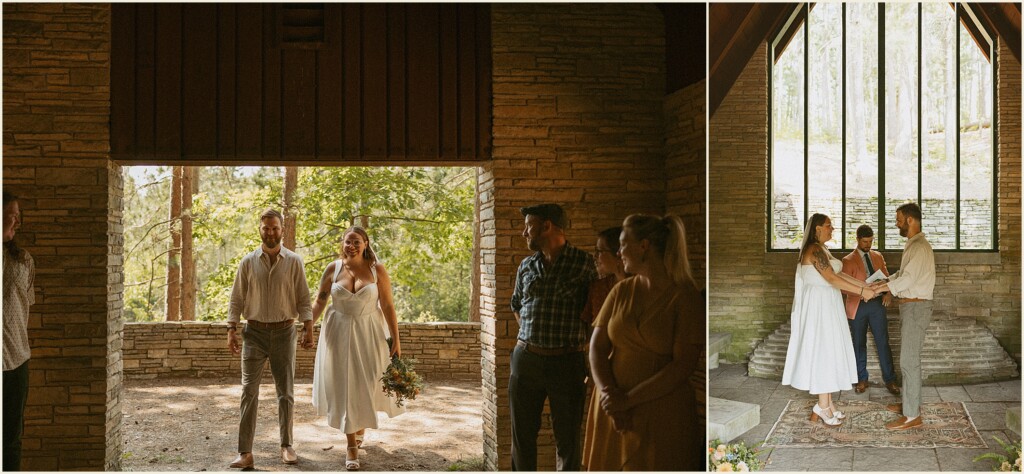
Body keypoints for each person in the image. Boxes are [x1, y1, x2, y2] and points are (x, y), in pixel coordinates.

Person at [582, 214, 704, 470]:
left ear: (644, 246)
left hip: (661, 413)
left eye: (623, 244)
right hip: (613, 411)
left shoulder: (685, 297)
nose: (619, 251)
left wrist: (629, 400)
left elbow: (683, 364)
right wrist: (609, 395)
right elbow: (597, 346)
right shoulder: (621, 291)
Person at [309, 226, 405, 470]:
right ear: (342, 243)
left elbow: (388, 306)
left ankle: (358, 426)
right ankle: (351, 445)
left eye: (356, 242)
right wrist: (307, 326)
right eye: (347, 241)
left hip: (369, 332)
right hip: (337, 332)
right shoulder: (333, 268)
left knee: (368, 381)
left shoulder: (377, 269)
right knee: (345, 385)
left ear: (365, 244)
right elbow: (320, 300)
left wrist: (396, 338)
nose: (350, 246)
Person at [510, 203, 597, 471]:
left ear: (547, 226)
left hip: (567, 363)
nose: (524, 232)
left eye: (529, 225)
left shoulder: (585, 265)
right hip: (526, 361)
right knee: (522, 438)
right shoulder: (526, 266)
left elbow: (596, 316)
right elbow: (516, 305)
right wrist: (530, 337)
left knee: (568, 440)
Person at [226, 209, 312, 469]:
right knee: (248, 392)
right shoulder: (248, 262)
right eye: (266, 228)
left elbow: (304, 298)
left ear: (282, 229)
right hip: (254, 334)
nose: (271, 232)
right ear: (260, 229)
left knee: (285, 393)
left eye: (275, 228)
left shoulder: (294, 261)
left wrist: (309, 328)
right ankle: (245, 453)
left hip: (285, 332)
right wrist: (231, 329)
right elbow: (237, 298)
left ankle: (286, 445)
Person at [781, 213, 877, 427]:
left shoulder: (822, 250)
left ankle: (827, 404)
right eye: (828, 226)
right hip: (819, 309)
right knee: (824, 351)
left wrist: (865, 287)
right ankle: (823, 407)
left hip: (828, 305)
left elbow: (839, 276)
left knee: (830, 350)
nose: (832, 229)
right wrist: (862, 291)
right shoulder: (813, 250)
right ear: (816, 229)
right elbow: (831, 278)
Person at [871, 202, 935, 431]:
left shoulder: (919, 247)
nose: (896, 223)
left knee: (909, 361)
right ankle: (909, 404)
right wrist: (885, 282)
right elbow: (904, 274)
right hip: (911, 307)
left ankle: (912, 416)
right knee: (907, 360)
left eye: (898, 219)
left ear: (910, 220)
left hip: (916, 309)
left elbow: (908, 281)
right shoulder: (913, 244)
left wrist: (880, 290)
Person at [840, 224, 900, 395]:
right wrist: (861, 293)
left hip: (877, 304)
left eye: (870, 241)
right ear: (858, 240)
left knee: (883, 342)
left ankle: (890, 380)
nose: (868, 245)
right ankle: (861, 379)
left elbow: (887, 277)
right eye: (865, 241)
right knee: (859, 344)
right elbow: (843, 288)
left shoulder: (878, 256)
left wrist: (888, 293)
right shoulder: (848, 260)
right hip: (858, 305)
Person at [3, 191, 35, 471]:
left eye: (17, 216)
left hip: (15, 362)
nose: (16, 221)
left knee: (10, 439)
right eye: (10, 215)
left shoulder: (23, 260)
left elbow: (25, 304)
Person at [580, 226, 627, 326]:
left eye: (599, 251)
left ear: (618, 254)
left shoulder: (641, 287)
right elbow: (591, 329)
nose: (595, 256)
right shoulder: (598, 288)